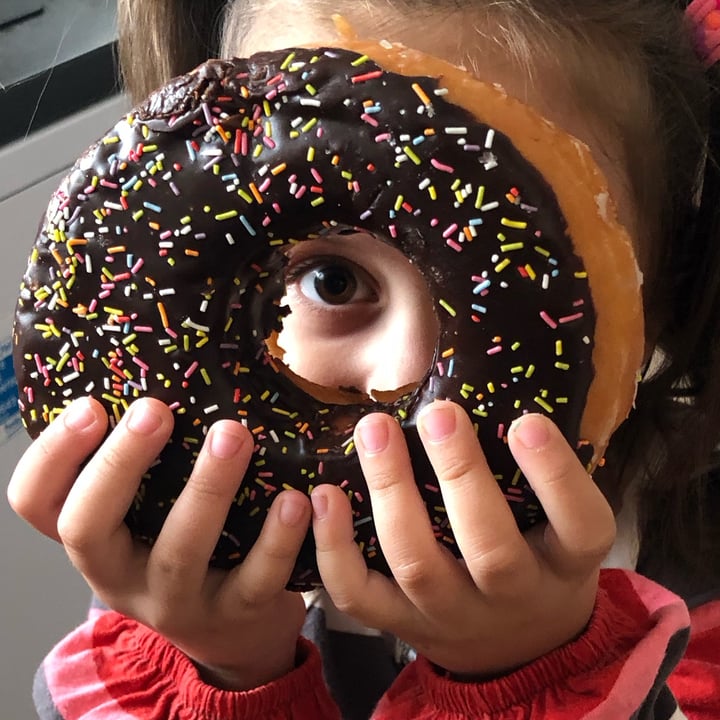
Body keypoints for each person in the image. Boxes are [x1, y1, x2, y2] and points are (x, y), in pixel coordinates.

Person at [7, 0, 720, 717]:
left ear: (654, 304)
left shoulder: (694, 557)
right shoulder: (178, 564)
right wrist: (223, 669)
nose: (401, 378)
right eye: (331, 279)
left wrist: (528, 680)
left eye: (521, 288)